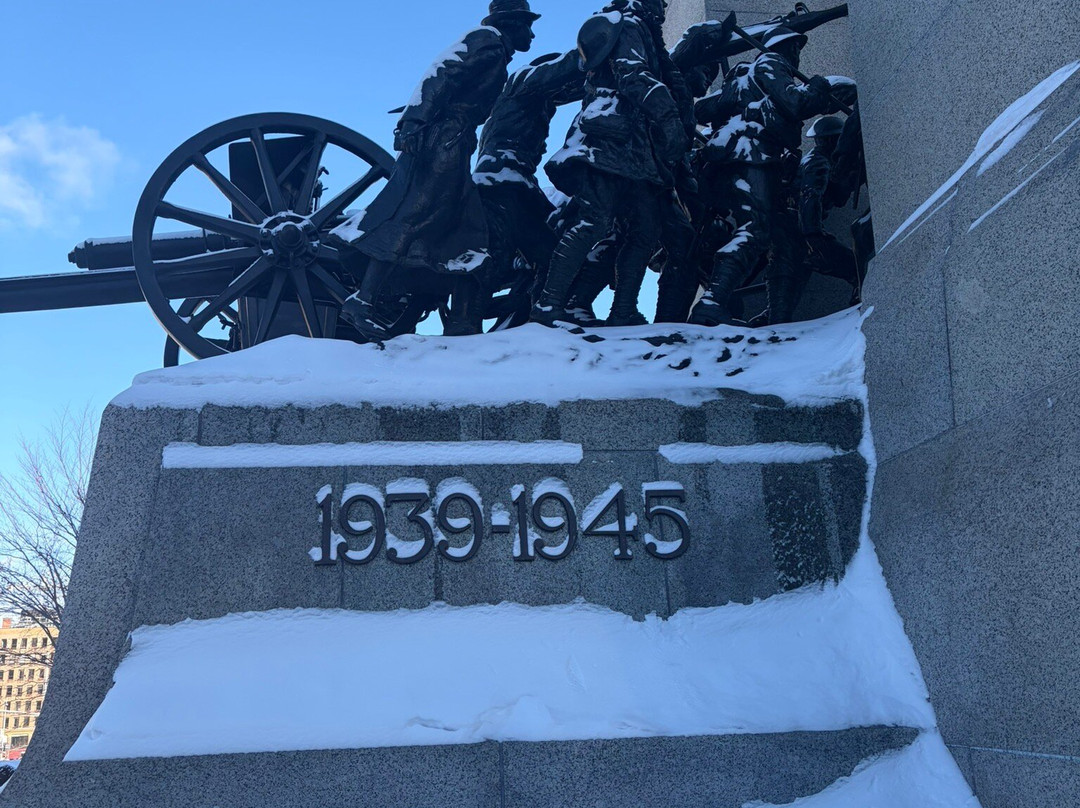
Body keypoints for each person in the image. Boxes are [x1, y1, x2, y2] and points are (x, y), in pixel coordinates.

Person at [330, 0, 540, 340]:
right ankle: (363, 301)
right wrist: (414, 120)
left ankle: (460, 318)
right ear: (512, 23)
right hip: (443, 142)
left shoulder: (495, 48)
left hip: (455, 141)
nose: (532, 34)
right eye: (528, 25)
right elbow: (440, 73)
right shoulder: (485, 39)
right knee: (415, 217)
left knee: (463, 226)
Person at [533, 0, 690, 328]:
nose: (663, 8)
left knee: (645, 230)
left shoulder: (643, 31)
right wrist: (668, 115)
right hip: (608, 142)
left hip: (636, 150)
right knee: (596, 222)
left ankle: (623, 311)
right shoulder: (628, 26)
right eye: (658, 2)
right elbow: (633, 75)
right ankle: (549, 305)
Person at [689, 26, 839, 327]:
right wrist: (819, 88)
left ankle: (779, 315)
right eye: (796, 49)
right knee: (756, 230)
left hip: (748, 160)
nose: (797, 56)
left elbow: (707, 110)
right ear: (786, 48)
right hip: (752, 157)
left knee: (784, 240)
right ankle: (712, 304)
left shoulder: (743, 78)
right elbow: (795, 102)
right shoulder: (771, 62)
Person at [472, 50, 585, 329]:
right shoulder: (523, 80)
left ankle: (535, 313)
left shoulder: (538, 99)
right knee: (538, 255)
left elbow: (568, 88)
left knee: (555, 251)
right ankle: (471, 319)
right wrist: (596, 52)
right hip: (502, 183)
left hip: (517, 184)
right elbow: (564, 70)